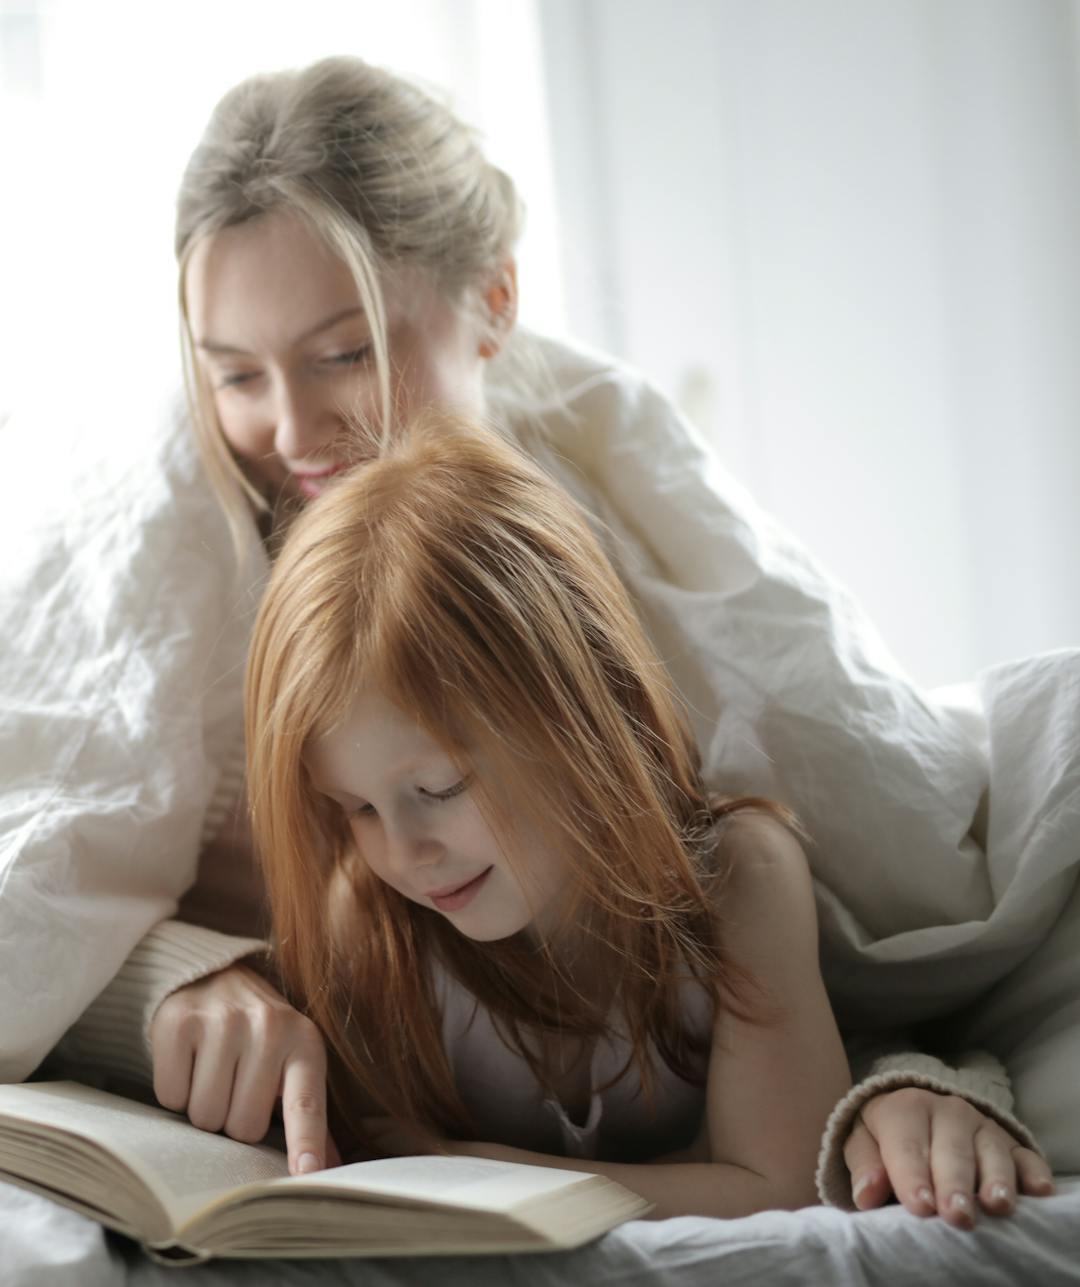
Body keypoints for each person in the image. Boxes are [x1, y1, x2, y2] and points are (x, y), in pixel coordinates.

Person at [54, 54, 1054, 1224]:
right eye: (231, 374)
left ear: (493, 302)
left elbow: (889, 974)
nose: (286, 432)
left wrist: (921, 1076)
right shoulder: (361, 887)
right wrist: (175, 984)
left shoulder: (697, 792)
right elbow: (16, 933)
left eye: (343, 352)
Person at [246, 415, 849, 1213]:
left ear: (578, 710)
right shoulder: (371, 926)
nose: (404, 851)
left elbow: (786, 1188)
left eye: (441, 788)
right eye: (355, 807)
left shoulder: (742, 877)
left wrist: (478, 1166)